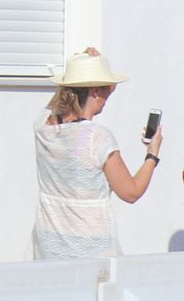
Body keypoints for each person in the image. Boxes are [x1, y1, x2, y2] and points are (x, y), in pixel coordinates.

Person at [32, 48, 162, 260]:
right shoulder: (97, 138)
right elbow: (131, 192)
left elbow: (56, 104)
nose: (108, 96)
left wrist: (89, 71)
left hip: (49, 243)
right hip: (90, 246)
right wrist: (152, 154)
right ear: (94, 91)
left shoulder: (43, 126)